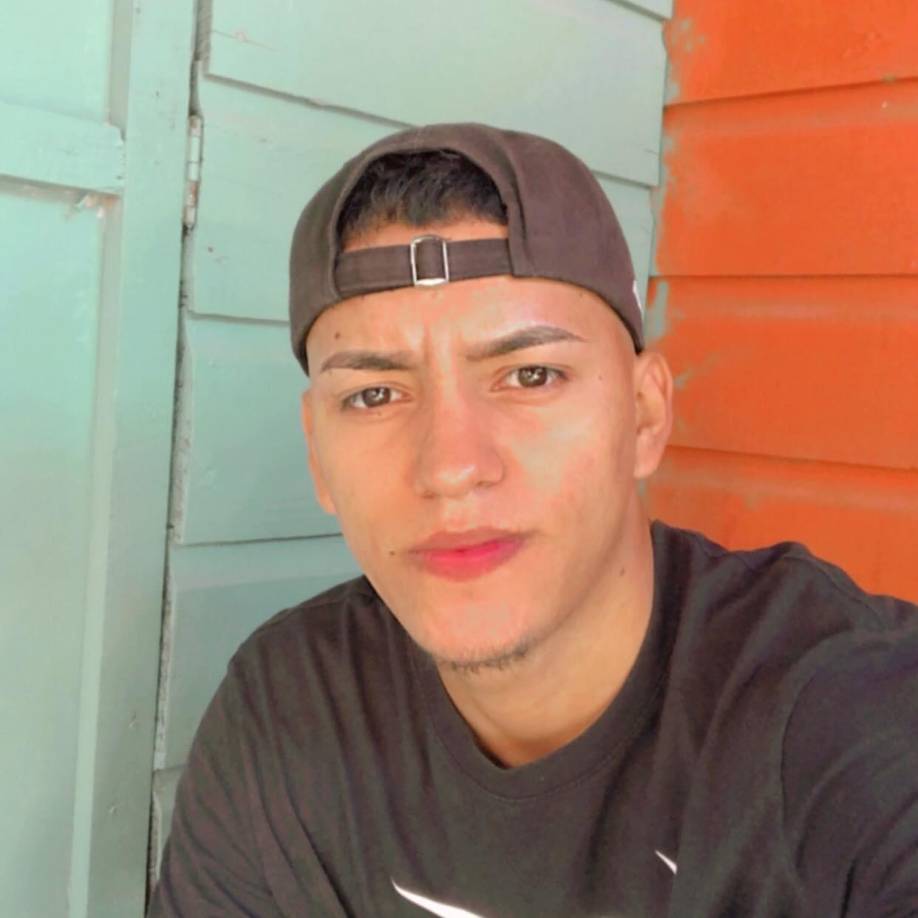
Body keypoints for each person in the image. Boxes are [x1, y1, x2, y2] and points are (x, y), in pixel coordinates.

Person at [148, 122, 918, 917]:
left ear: (645, 415)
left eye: (530, 375)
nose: (451, 467)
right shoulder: (289, 712)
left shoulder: (853, 720)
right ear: (318, 454)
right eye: (375, 395)